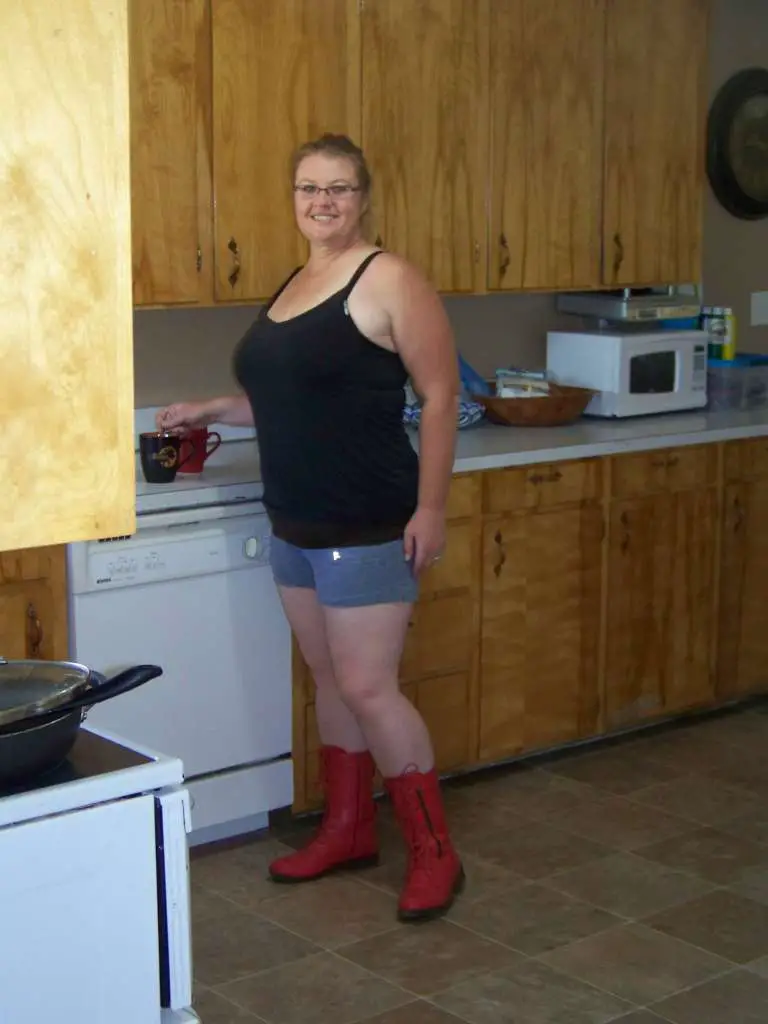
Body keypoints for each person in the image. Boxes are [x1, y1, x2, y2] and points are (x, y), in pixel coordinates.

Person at [156, 133, 463, 921]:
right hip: (293, 517)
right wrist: (210, 407)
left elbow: (438, 395)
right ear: (293, 199)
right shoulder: (297, 281)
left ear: (364, 197)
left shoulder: (388, 277)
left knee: (368, 686)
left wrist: (430, 508)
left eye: (338, 188)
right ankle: (348, 828)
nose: (321, 202)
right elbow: (292, 396)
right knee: (330, 682)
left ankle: (434, 852)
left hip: (366, 517)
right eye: (307, 189)